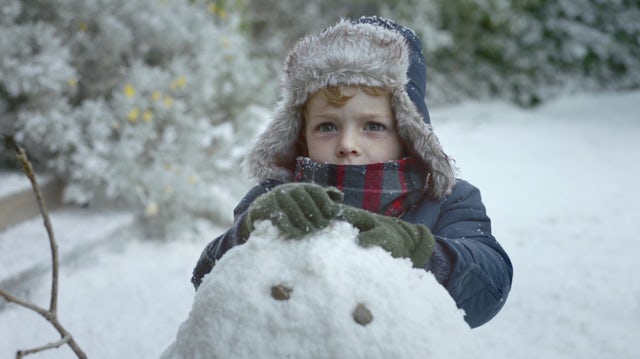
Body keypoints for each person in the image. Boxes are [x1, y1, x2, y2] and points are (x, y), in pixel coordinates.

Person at [191, 16, 512, 328]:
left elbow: (489, 286)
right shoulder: (275, 197)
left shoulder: (445, 200)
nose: (347, 144)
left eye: (373, 126)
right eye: (327, 126)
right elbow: (208, 281)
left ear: (408, 133)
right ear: (301, 134)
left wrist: (420, 250)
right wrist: (250, 230)